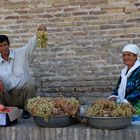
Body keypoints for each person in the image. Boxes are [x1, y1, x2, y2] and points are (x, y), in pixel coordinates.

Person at [0, 24, 47, 119]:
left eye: (5, 45)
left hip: (23, 95)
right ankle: (2, 110)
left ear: (9, 45)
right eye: (0, 46)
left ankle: (27, 110)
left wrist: (40, 33)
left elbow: (31, 45)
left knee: (31, 84)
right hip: (8, 97)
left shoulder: (21, 54)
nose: (4, 48)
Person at [108, 44, 140, 115]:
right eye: (124, 55)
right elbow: (117, 87)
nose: (126, 57)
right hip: (124, 104)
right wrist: (113, 96)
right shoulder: (124, 72)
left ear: (135, 57)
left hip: (136, 104)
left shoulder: (139, 70)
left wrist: (126, 101)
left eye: (129, 55)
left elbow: (138, 91)